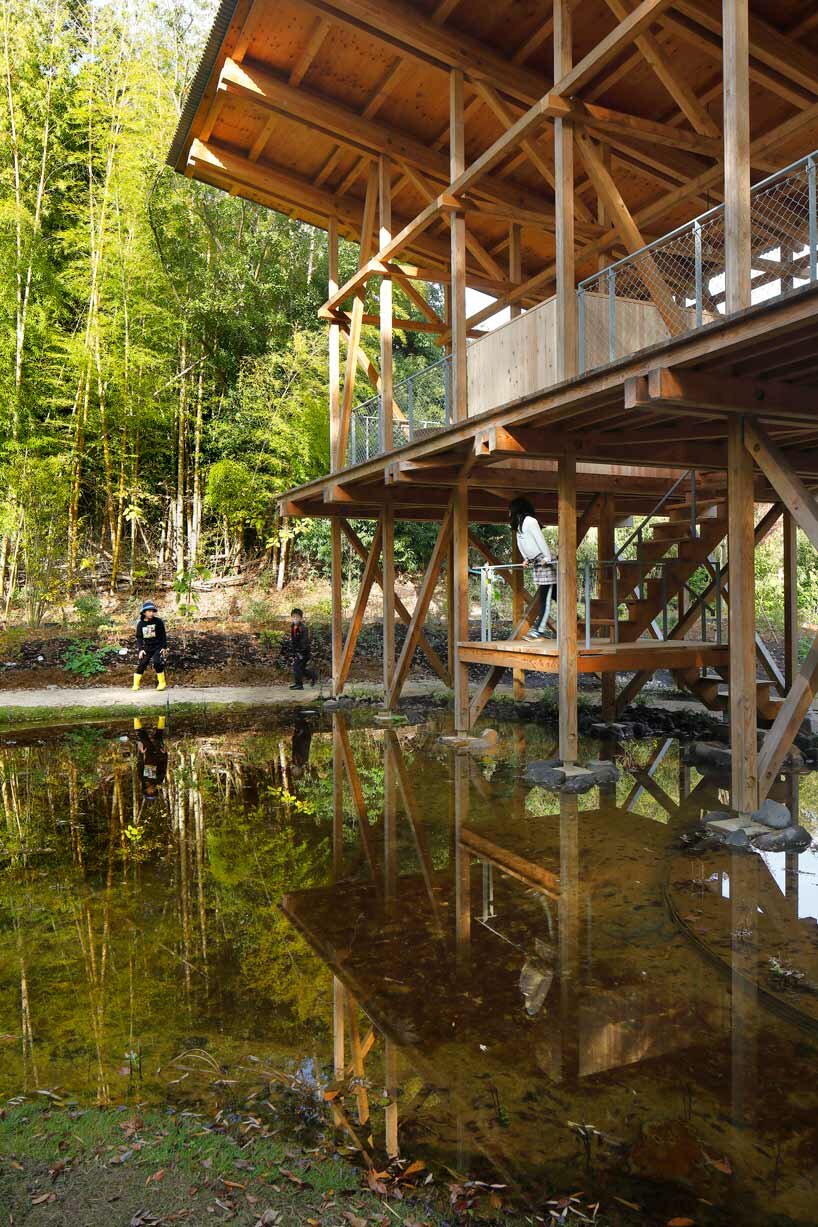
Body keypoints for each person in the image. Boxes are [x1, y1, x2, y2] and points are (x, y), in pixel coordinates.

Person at [509, 497, 556, 641]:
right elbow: (521, 544)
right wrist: (526, 559)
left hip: (544, 560)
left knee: (546, 597)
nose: (509, 513)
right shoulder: (519, 524)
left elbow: (539, 539)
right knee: (555, 594)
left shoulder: (530, 521)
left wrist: (547, 557)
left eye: (510, 510)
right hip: (537, 561)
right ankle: (577, 614)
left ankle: (538, 631)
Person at [132, 600, 168, 690]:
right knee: (142, 664)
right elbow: (139, 638)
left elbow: (163, 635)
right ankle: (136, 684)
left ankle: (162, 683)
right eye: (149, 611)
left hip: (157, 646)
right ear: (144, 612)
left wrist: (164, 647)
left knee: (157, 662)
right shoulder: (141, 624)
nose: (151, 613)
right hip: (147, 647)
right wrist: (140, 649)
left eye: (152, 611)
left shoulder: (158, 622)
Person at [133, 715, 168, 801]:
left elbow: (140, 764)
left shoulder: (142, 778)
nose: (152, 791)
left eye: (150, 792)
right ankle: (162, 718)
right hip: (158, 754)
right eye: (153, 792)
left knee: (142, 737)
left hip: (147, 755)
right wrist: (165, 753)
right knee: (158, 737)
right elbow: (163, 765)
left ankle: (136, 718)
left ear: (145, 790)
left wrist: (141, 753)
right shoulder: (159, 780)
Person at [288, 608, 317, 690]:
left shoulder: (303, 628)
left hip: (304, 652)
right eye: (293, 617)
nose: (295, 618)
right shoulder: (293, 626)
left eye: (297, 617)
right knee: (300, 668)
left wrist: (300, 652)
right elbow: (294, 640)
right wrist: (294, 650)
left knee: (297, 667)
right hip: (297, 651)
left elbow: (304, 641)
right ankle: (313, 676)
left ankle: (299, 685)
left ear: (301, 618)